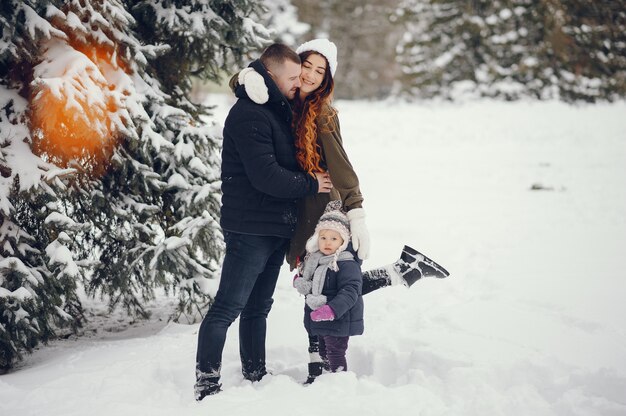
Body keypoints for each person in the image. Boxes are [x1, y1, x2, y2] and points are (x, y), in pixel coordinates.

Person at [237, 38, 450, 383]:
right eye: (307, 65)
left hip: (324, 209)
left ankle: (320, 368)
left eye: (321, 72)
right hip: (297, 208)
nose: (311, 75)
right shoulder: (283, 102)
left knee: (327, 285)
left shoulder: (323, 115)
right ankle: (402, 269)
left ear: (326, 80)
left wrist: (357, 214)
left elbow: (342, 167)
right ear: (295, 64)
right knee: (320, 284)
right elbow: (252, 83)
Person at [194, 43, 335, 400]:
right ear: (270, 76)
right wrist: (311, 183)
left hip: (275, 227)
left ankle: (255, 372)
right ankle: (206, 380)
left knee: (258, 308)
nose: (298, 81)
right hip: (250, 228)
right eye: (291, 76)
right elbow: (266, 176)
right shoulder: (249, 114)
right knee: (228, 305)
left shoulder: (278, 109)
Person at [293, 200, 364, 375]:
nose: (327, 242)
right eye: (323, 237)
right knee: (324, 352)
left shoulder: (346, 263)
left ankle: (340, 380)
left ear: (343, 240)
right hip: (322, 319)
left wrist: (331, 310)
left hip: (339, 318)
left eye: (333, 238)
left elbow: (351, 291)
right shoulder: (317, 259)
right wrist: (302, 282)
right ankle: (328, 382)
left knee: (335, 353)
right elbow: (315, 284)